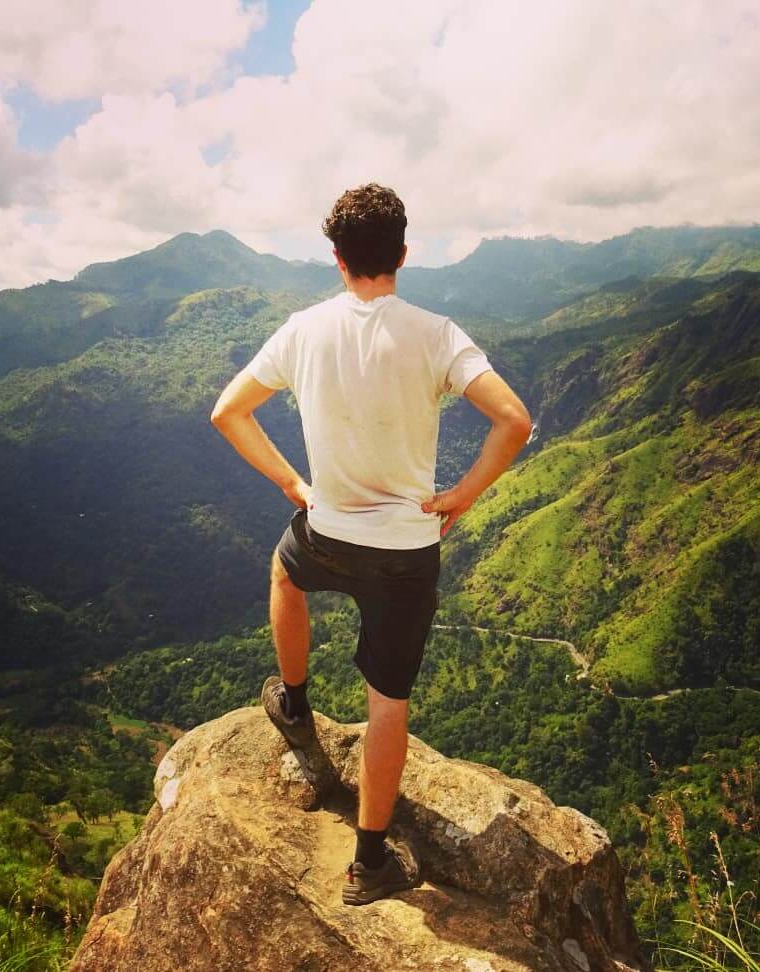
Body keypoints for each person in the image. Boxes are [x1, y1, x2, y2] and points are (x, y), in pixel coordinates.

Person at [211, 182, 532, 905]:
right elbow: (514, 421)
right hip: (406, 550)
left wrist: (294, 483)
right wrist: (463, 493)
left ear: (337, 258)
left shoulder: (302, 329)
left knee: (284, 574)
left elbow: (228, 412)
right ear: (404, 254)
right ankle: (370, 864)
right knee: (387, 701)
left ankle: (293, 704)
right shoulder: (437, 333)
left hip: (326, 531)